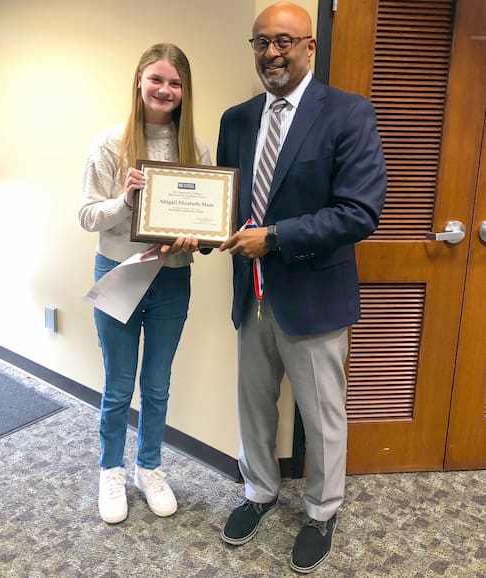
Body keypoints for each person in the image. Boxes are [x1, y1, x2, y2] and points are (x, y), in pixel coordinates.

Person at [216, 2, 386, 573]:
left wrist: (275, 237)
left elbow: (360, 213)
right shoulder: (236, 119)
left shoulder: (347, 113)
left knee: (321, 415)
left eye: (285, 41)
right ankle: (259, 492)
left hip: (313, 295)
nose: (272, 53)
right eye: (262, 43)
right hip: (251, 295)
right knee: (254, 409)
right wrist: (193, 231)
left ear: (310, 46)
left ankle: (321, 509)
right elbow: (225, 205)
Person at [79, 43, 210, 524]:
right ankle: (110, 468)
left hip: (172, 280)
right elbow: (88, 215)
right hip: (119, 274)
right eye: (157, 79)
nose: (165, 89)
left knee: (156, 386)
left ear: (184, 91)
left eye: (175, 83)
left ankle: (148, 466)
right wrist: (126, 201)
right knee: (117, 387)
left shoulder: (193, 147)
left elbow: (202, 214)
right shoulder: (110, 143)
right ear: (139, 80)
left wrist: (198, 238)